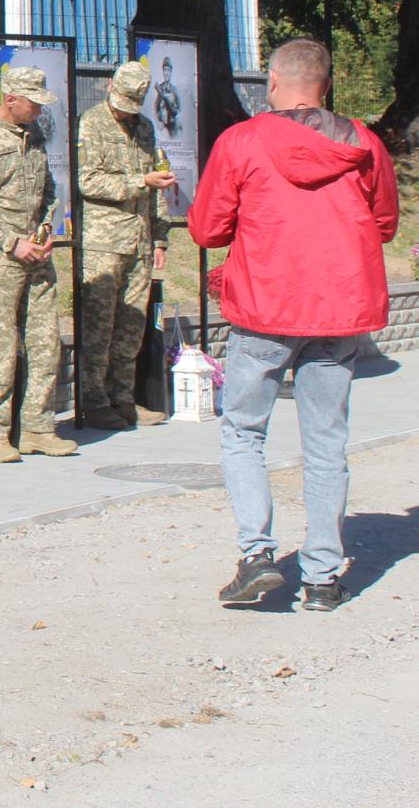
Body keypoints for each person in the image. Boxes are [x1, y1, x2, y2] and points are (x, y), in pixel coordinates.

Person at [192, 39, 399, 613]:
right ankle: (323, 579)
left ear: (273, 84)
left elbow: (207, 229)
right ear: (326, 87)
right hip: (337, 309)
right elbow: (384, 223)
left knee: (243, 432)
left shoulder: (242, 141)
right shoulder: (363, 142)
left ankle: (257, 555)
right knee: (326, 442)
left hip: (265, 307)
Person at [0, 65, 75, 462]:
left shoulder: (34, 136)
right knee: (0, 350)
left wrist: (46, 228)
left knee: (45, 344)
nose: (39, 110)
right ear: (11, 99)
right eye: (33, 103)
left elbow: (49, 191)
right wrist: (11, 243)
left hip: (37, 258)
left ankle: (38, 428)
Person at [76, 60, 173, 430]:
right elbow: (87, 181)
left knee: (131, 328)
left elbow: (156, 187)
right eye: (121, 104)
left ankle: (124, 399)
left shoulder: (144, 128)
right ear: (110, 88)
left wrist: (160, 236)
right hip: (103, 243)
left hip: (139, 241)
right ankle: (94, 401)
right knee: (99, 329)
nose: (123, 113)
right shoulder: (91, 123)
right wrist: (139, 182)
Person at [153, 56, 183, 139]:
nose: (166, 72)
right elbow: (156, 108)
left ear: (171, 71)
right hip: (163, 128)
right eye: (165, 70)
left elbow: (179, 109)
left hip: (173, 126)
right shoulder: (160, 88)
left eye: (168, 70)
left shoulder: (174, 89)